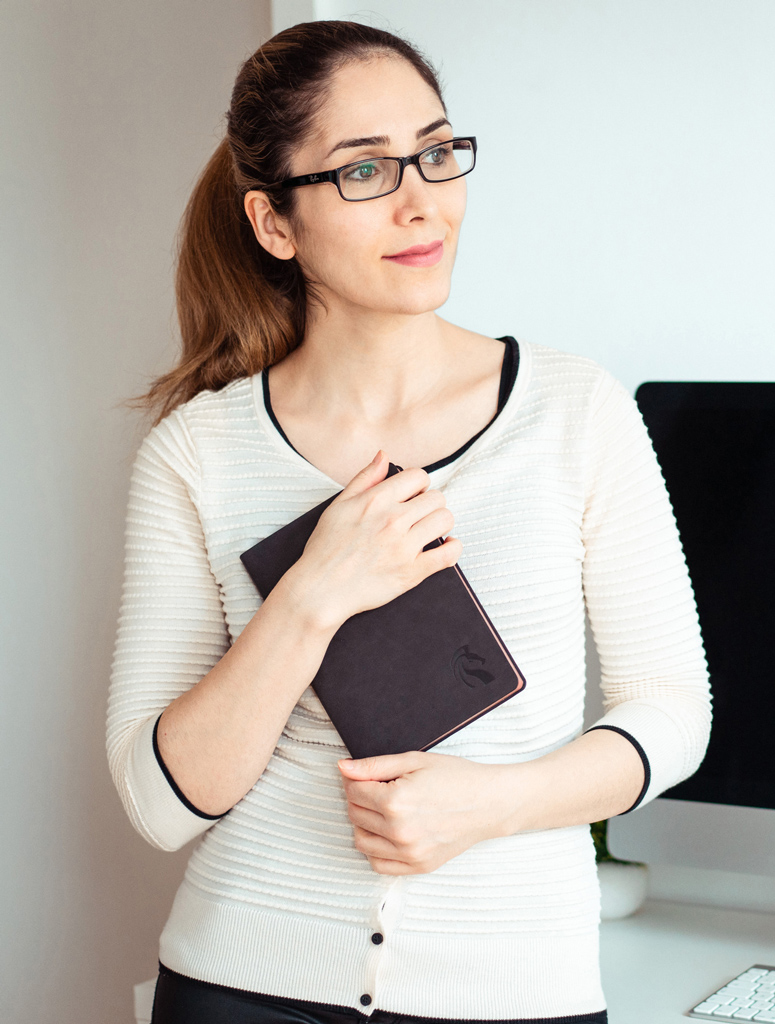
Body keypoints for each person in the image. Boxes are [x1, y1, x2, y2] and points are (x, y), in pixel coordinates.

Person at [106, 20, 711, 1024]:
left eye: (435, 152)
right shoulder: (197, 453)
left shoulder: (574, 410)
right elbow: (161, 802)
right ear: (273, 223)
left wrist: (489, 803)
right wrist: (311, 593)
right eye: (364, 172)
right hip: (242, 981)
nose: (420, 200)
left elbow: (671, 711)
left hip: (513, 990)